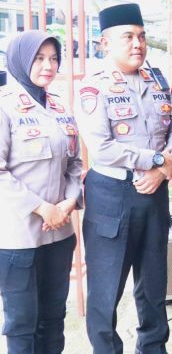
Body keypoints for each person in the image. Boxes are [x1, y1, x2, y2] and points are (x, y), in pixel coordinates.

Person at [75, 3, 172, 354]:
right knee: (106, 287)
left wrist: (161, 171)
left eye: (141, 36)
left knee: (153, 281)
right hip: (112, 194)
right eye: (128, 37)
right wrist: (157, 160)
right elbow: (102, 147)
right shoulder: (94, 87)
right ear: (105, 43)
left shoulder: (157, 81)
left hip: (154, 192)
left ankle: (153, 347)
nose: (138, 44)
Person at [0, 31, 82, 353]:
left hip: (59, 234)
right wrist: (43, 208)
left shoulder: (60, 107)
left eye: (53, 58)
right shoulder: (4, 106)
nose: (48, 66)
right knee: (22, 324)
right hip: (18, 238)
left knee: (53, 318)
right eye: (39, 58)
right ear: (21, 60)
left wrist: (69, 201)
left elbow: (75, 163)